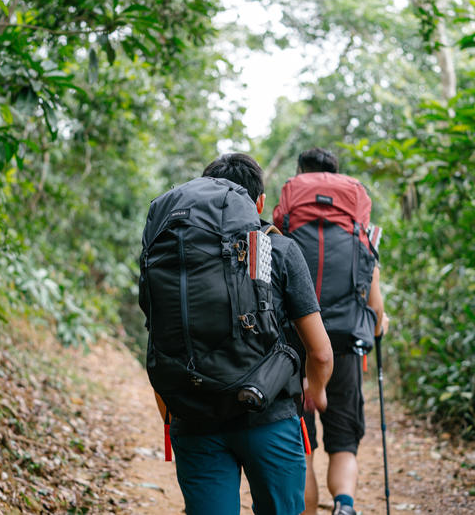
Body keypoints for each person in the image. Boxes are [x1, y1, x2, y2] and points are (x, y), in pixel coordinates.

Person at [151, 153, 334, 515]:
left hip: (193, 417)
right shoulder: (278, 248)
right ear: (259, 202)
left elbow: (160, 339)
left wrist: (174, 414)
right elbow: (321, 352)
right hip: (268, 417)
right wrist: (317, 391)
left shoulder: (174, 257)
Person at [277, 148, 389, 515]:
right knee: (343, 443)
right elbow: (374, 304)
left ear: (299, 174)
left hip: (295, 348)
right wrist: (378, 323)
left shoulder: (288, 218)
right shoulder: (358, 227)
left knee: (302, 448)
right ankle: (344, 505)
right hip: (345, 345)